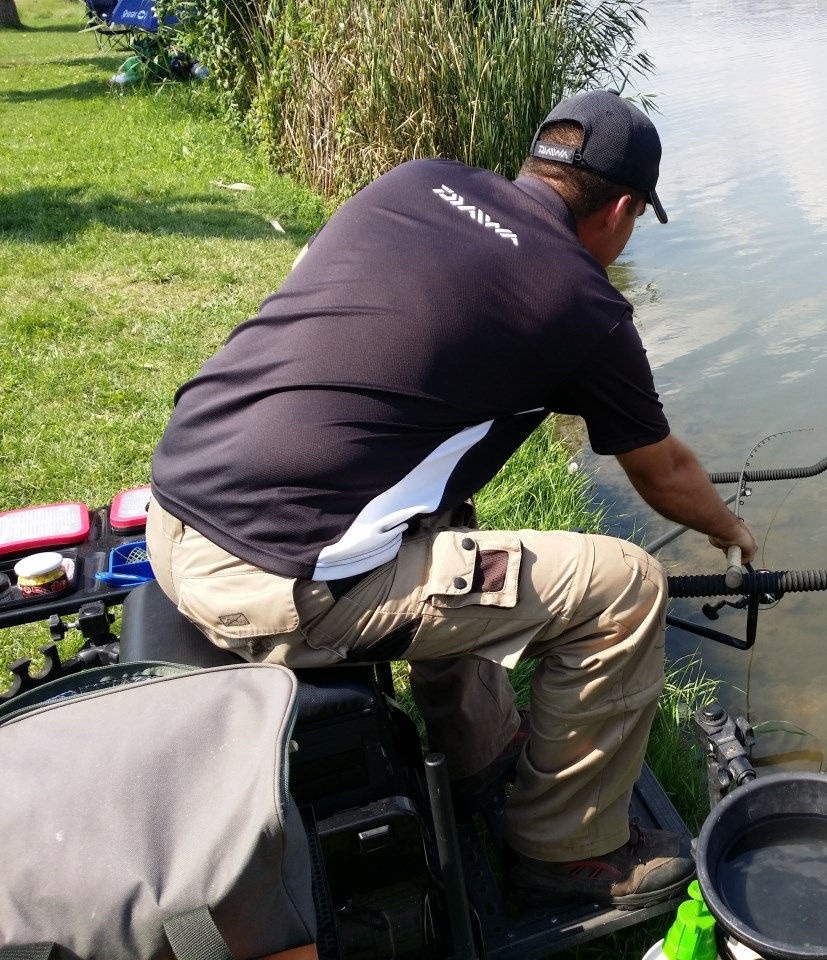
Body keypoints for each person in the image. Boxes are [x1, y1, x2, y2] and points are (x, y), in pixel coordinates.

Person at [145, 89, 758, 909]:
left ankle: (481, 754)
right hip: (272, 581)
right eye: (638, 219)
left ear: (537, 159)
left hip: (174, 509)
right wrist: (732, 531)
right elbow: (664, 475)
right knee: (625, 585)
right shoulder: (582, 303)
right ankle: (567, 857)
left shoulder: (414, 183)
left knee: (447, 517)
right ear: (621, 209)